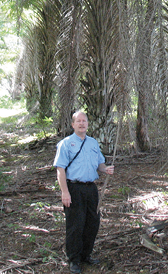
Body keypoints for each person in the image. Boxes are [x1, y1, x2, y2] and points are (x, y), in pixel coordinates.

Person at [54, 110, 114, 274]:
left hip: (91, 189)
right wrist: (65, 192)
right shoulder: (66, 144)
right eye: (78, 121)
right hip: (74, 188)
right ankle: (74, 260)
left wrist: (105, 169)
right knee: (75, 225)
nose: (82, 124)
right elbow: (60, 170)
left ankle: (86, 255)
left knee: (92, 223)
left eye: (84, 121)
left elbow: (99, 164)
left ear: (88, 124)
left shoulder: (93, 143)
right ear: (73, 124)